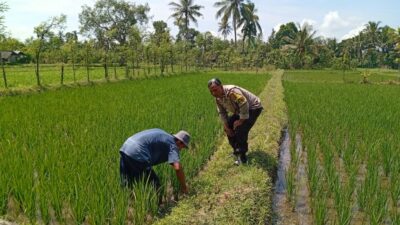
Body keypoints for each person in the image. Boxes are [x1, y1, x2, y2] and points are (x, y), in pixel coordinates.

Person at [208, 78, 263, 165]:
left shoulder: (232, 92)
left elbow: (244, 103)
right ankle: (236, 151)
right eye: (211, 91)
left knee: (240, 129)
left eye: (215, 90)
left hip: (253, 107)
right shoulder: (218, 98)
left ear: (221, 87)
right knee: (229, 128)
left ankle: (242, 157)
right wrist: (226, 126)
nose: (214, 93)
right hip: (239, 110)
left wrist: (241, 120)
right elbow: (222, 112)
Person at [119, 128, 190, 195]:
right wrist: (184, 187)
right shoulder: (173, 145)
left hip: (126, 147)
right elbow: (177, 168)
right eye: (183, 147)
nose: (181, 149)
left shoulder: (164, 134)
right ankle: (156, 206)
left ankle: (129, 204)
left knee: (127, 182)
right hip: (138, 152)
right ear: (179, 142)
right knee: (155, 185)